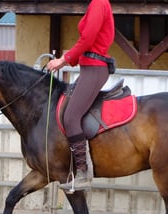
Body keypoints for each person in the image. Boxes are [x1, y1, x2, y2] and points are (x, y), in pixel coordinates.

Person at [47, 0, 115, 191]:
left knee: (70, 117)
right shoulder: (97, 4)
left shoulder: (98, 3)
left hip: (94, 70)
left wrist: (63, 60)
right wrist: (72, 59)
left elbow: (87, 39)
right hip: (89, 68)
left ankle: (83, 173)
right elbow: (87, 42)